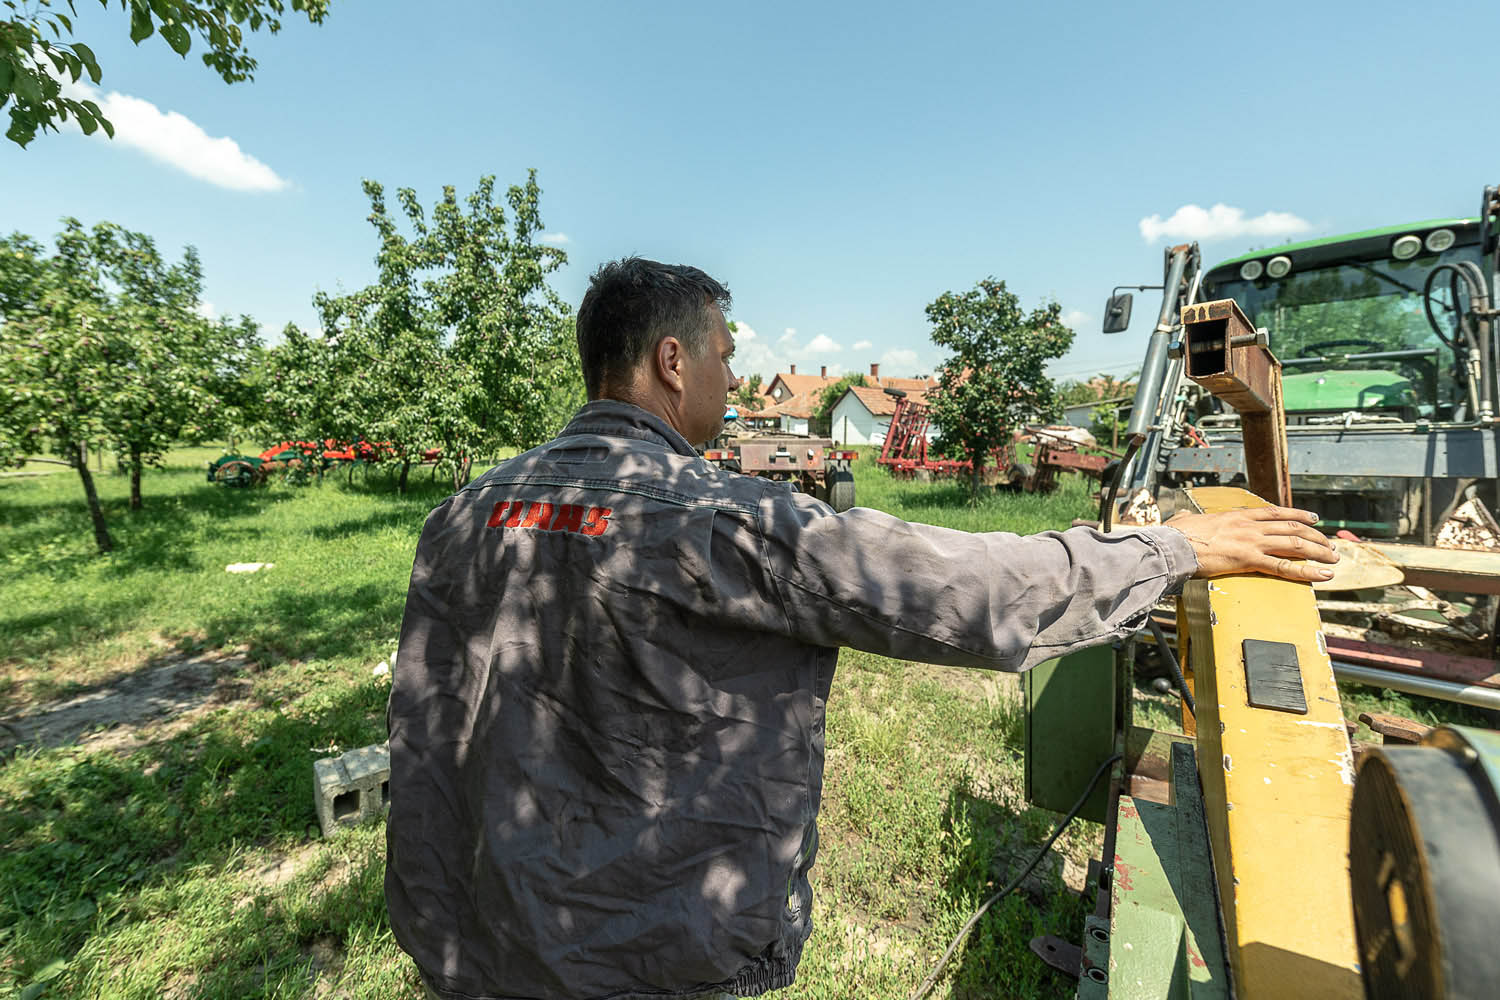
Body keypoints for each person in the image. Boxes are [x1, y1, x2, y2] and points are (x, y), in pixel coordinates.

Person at [384, 257, 1337, 1000]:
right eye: (722, 355)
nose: (734, 373)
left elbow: (430, 730)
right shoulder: (717, 518)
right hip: (639, 957)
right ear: (669, 363)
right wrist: (1168, 551)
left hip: (471, 936)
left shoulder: (463, 515)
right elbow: (962, 590)